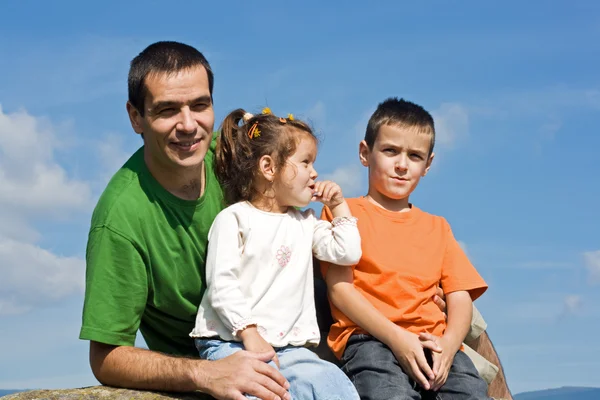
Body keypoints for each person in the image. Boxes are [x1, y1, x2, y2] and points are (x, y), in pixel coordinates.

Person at [79, 41, 292, 400]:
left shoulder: (232, 152)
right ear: (136, 118)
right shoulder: (119, 219)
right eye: (167, 110)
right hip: (219, 359)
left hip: (290, 330)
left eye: (200, 105)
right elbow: (105, 358)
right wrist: (206, 374)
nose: (189, 125)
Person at [321, 97, 492, 399]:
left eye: (415, 156)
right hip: (370, 339)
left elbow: (460, 297)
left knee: (472, 393)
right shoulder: (342, 211)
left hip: (434, 342)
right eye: (390, 151)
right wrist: (398, 339)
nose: (401, 165)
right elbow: (340, 291)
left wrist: (449, 346)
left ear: (428, 165)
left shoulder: (438, 227)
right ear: (365, 153)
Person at [189, 108, 361, 399]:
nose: (315, 172)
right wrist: (249, 333)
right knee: (262, 393)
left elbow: (347, 252)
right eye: (305, 162)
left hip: (289, 350)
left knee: (334, 384)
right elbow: (222, 284)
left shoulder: (305, 223)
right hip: (230, 341)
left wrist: (339, 205)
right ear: (269, 167)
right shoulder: (234, 220)